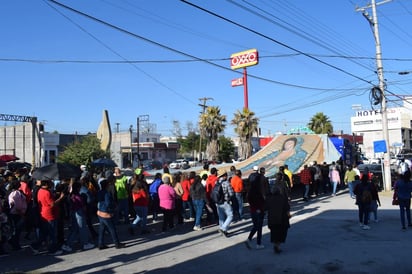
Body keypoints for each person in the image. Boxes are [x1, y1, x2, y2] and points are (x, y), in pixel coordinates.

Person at [30, 179, 66, 256]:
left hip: (43, 213)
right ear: (46, 184)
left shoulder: (40, 190)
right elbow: (52, 204)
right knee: (52, 233)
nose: (51, 184)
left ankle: (35, 246)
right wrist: (60, 198)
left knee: (45, 232)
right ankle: (52, 249)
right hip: (49, 214)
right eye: (49, 183)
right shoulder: (46, 192)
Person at [61, 181, 95, 252]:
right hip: (79, 212)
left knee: (75, 229)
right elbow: (82, 205)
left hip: (73, 212)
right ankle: (85, 243)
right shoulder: (77, 196)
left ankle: (68, 244)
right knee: (82, 228)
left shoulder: (71, 195)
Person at [96, 178, 125, 250]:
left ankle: (100, 243)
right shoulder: (106, 193)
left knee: (102, 229)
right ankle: (117, 243)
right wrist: (113, 207)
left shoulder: (99, 192)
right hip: (106, 212)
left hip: (100, 212)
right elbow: (108, 203)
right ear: (106, 185)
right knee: (112, 229)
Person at [265, 172, 291, 254]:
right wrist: (288, 215)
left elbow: (265, 208)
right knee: (281, 232)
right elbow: (287, 208)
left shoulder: (269, 199)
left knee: (274, 233)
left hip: (272, 219)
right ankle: (277, 245)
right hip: (281, 219)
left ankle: (276, 244)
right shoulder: (282, 198)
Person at [245, 165, 266, 250]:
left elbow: (249, 200)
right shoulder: (258, 192)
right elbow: (261, 201)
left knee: (255, 225)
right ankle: (258, 243)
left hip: (252, 209)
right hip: (258, 210)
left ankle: (249, 239)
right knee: (259, 226)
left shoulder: (250, 191)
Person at [7, 179, 27, 250]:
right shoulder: (16, 193)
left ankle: (13, 242)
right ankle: (15, 244)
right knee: (17, 230)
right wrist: (21, 214)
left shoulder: (10, 192)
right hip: (17, 214)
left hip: (13, 213)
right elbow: (17, 206)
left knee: (15, 229)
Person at [215, 170, 234, 237]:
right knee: (230, 215)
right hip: (225, 202)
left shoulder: (216, 182)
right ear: (225, 175)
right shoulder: (226, 183)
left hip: (218, 202)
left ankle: (223, 230)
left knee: (221, 217)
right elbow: (231, 193)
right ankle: (223, 228)